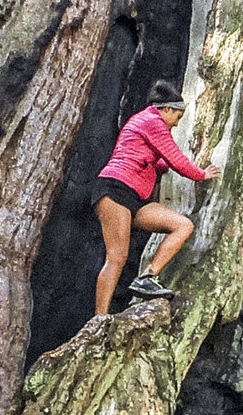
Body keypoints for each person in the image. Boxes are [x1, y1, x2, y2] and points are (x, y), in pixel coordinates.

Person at [92, 78, 215, 315]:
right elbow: (175, 158)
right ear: (166, 109)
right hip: (115, 189)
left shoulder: (146, 123)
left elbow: (149, 156)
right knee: (117, 257)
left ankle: (147, 277)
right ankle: (99, 318)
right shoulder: (151, 121)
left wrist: (159, 166)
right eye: (177, 117)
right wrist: (201, 174)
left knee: (182, 225)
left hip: (136, 198)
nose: (177, 125)